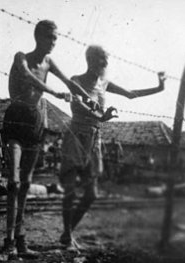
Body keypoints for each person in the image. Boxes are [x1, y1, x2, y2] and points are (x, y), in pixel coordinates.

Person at [0, 20, 98, 260]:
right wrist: (54, 92)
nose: (52, 43)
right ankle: (8, 242)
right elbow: (27, 77)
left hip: (35, 121)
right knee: (12, 182)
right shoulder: (21, 56)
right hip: (16, 118)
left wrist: (88, 99)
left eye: (55, 38)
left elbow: (69, 82)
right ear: (38, 37)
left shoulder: (49, 62)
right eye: (49, 38)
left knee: (25, 184)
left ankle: (20, 240)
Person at [59, 45, 166, 252]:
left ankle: (66, 232)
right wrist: (101, 115)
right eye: (102, 60)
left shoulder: (104, 83)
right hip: (76, 135)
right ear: (90, 60)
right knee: (70, 190)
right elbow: (79, 104)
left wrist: (159, 87)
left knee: (91, 194)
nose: (105, 65)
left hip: (94, 137)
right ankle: (67, 235)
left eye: (106, 61)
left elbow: (131, 94)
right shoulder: (76, 80)